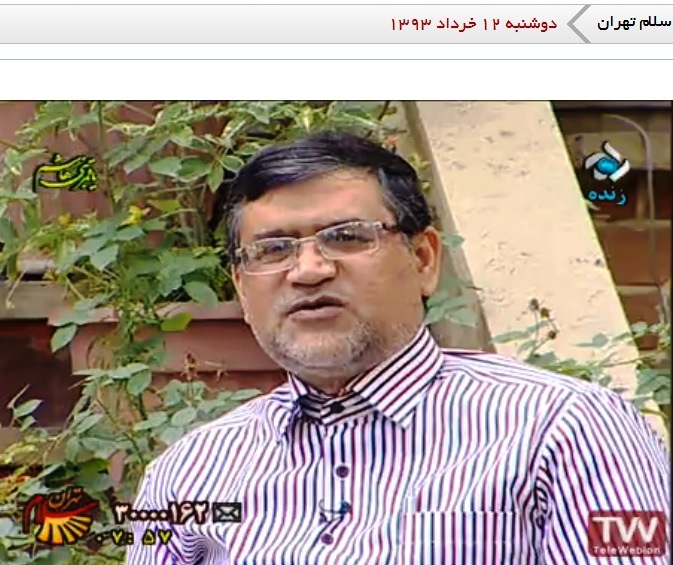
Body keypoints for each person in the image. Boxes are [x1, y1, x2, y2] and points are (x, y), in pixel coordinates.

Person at [126, 131, 669, 564]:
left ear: (424, 259)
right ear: (243, 289)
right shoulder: (189, 472)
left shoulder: (568, 431)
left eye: (346, 237)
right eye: (272, 249)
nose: (308, 270)